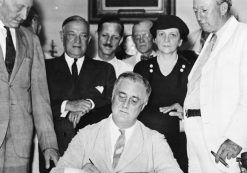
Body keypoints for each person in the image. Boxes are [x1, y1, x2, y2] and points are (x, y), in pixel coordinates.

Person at [50, 72, 183, 173]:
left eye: (134, 100)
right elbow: (59, 171)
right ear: (113, 96)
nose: (125, 105)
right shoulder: (87, 134)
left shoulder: (154, 141)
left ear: (143, 106)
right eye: (122, 96)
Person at [41, 15, 116, 170]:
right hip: (56, 150)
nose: (77, 41)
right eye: (71, 35)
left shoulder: (105, 69)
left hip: (94, 155)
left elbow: (112, 103)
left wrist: (89, 104)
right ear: (62, 36)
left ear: (89, 39)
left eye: (83, 36)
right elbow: (37, 106)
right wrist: (67, 105)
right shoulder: (44, 68)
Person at [184, 0, 247, 172]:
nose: (199, 17)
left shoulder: (243, 35)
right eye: (195, 11)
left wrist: (236, 138)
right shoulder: (211, 39)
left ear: (223, 8)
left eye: (204, 10)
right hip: (198, 136)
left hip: (225, 141)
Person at [0, 0, 59, 172]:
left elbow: (40, 98)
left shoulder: (31, 40)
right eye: (19, 8)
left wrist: (49, 144)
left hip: (19, 142)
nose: (24, 16)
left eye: (28, 10)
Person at [134, 15, 192, 172]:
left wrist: (184, 112)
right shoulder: (142, 69)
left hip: (181, 144)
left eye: (172, 35)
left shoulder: (191, 70)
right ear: (154, 39)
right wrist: (173, 123)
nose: (166, 40)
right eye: (161, 34)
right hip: (147, 142)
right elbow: (136, 108)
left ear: (180, 41)